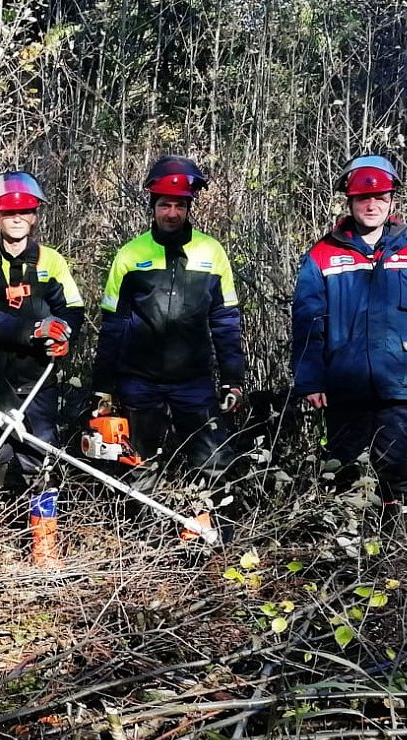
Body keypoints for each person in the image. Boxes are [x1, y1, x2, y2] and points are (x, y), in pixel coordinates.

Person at [291, 155, 407, 538]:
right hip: (344, 383)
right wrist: (310, 381)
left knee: (396, 468)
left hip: (399, 381)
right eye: (363, 199)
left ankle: (395, 550)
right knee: (341, 467)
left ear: (392, 200)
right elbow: (308, 323)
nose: (371, 205)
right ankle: (342, 546)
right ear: (350, 202)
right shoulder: (322, 255)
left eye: (379, 197)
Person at [0, 171, 85, 571]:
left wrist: (65, 334)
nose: (16, 217)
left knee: (41, 460)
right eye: (8, 210)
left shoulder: (52, 261)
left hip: (39, 377)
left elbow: (73, 309)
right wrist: (32, 330)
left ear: (35, 215)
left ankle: (45, 552)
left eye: (25, 210)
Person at [90, 156, 244, 495]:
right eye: (164, 205)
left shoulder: (212, 252)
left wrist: (233, 378)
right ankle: (144, 534)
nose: (171, 213)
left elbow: (225, 320)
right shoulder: (130, 256)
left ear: (189, 207)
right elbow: (113, 325)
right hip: (139, 381)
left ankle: (211, 536)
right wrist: (103, 385)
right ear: (153, 206)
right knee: (137, 463)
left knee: (215, 459)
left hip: (194, 381)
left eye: (178, 205)